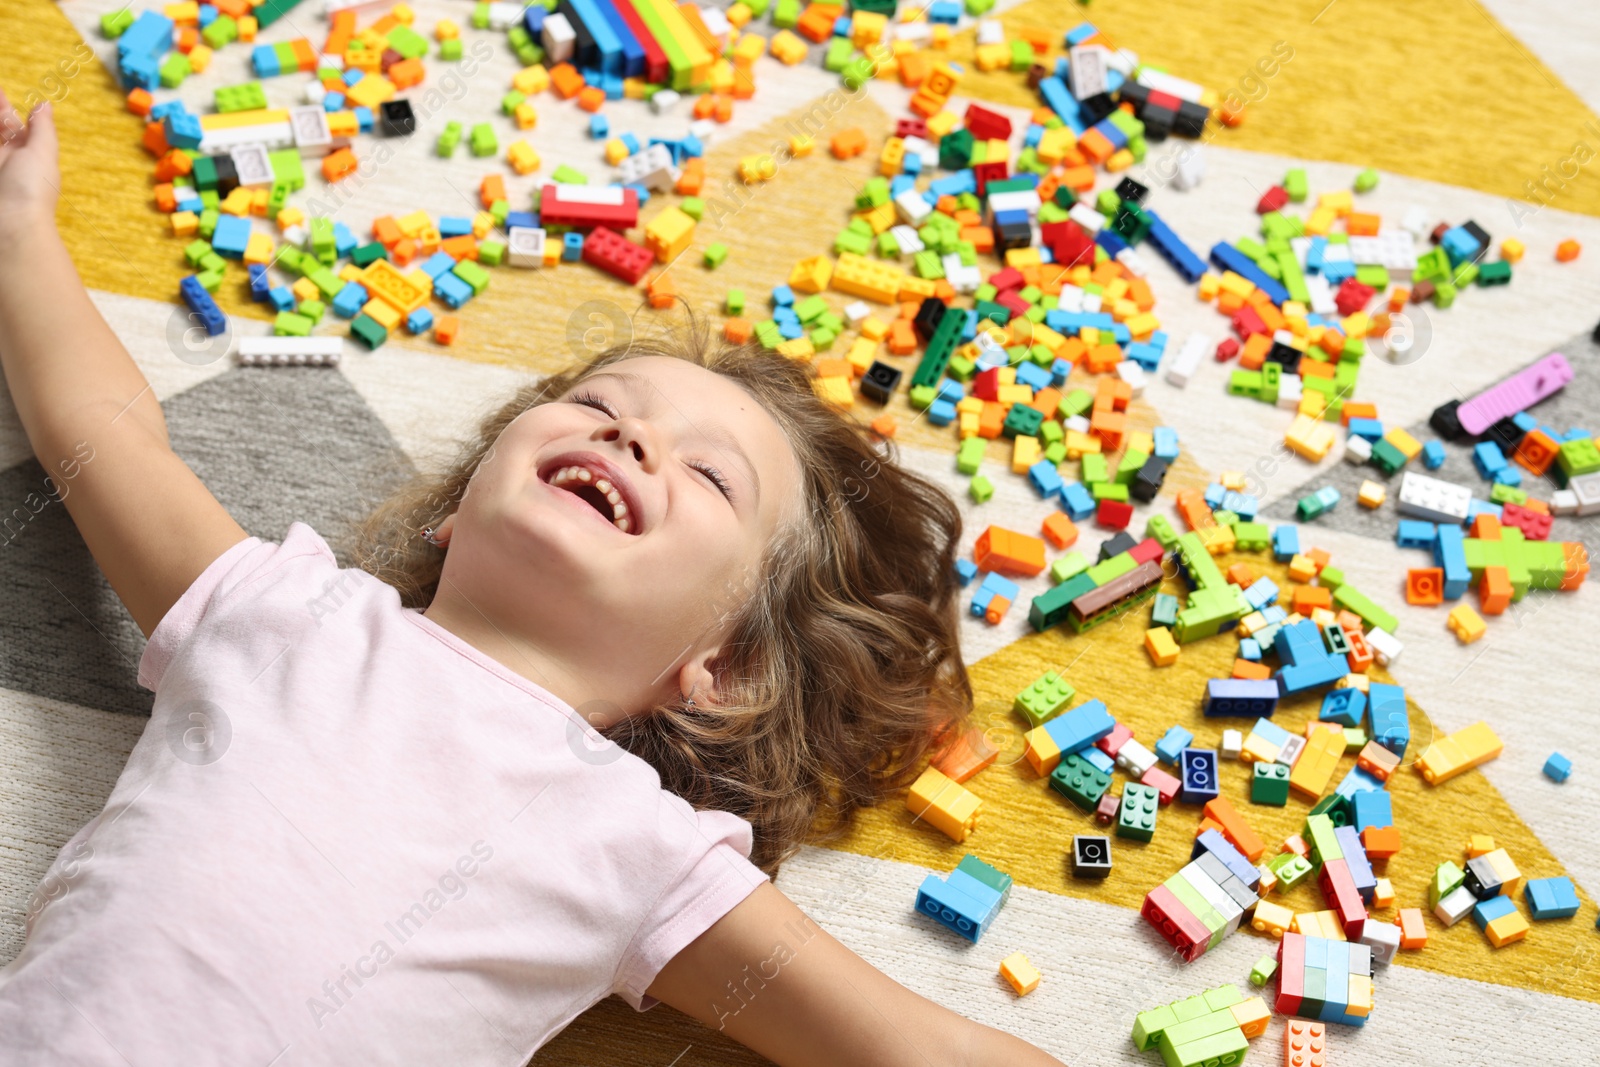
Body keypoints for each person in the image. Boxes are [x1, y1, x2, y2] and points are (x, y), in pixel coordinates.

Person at [0, 94, 1066, 1065]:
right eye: (602, 407)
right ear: (457, 512)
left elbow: (911, 1046)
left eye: (706, 473)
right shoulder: (287, 614)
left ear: (725, 669)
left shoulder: (636, 842)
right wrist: (20, 230)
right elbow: (108, 441)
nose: (634, 435)